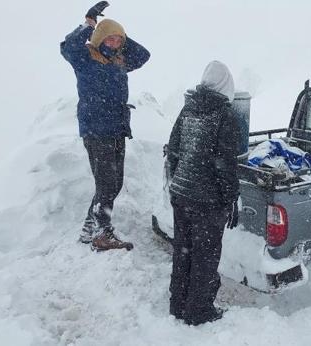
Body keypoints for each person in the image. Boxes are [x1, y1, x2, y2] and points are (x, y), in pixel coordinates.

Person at [60, 3, 151, 251]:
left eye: (117, 40)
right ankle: (102, 234)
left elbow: (143, 55)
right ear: (98, 39)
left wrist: (120, 35)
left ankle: (90, 228)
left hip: (117, 129)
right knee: (107, 184)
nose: (113, 43)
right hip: (96, 129)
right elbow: (67, 47)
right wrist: (90, 23)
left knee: (114, 182)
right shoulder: (85, 59)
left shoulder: (119, 62)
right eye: (108, 39)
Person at [166, 61, 241, 325]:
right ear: (225, 85)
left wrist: (175, 180)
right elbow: (225, 163)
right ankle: (199, 311)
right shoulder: (225, 115)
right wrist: (232, 197)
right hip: (207, 201)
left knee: (183, 251)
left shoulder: (189, 107)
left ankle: (178, 303)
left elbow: (173, 149)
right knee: (205, 257)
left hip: (182, 194)